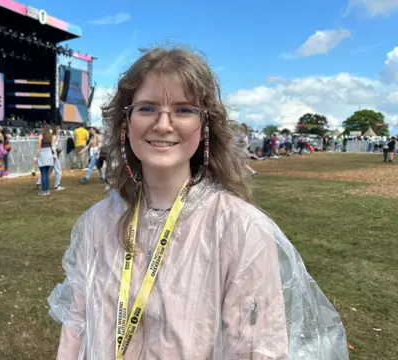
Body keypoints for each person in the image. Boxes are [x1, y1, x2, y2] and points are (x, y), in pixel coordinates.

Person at [47, 47, 348, 359]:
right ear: (125, 123)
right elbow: (76, 326)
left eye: (184, 110)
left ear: (205, 125)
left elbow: (260, 348)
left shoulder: (241, 229)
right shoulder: (98, 223)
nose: (163, 124)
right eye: (147, 108)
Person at [35, 125, 55, 195]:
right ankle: (47, 190)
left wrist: (36, 157)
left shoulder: (41, 136)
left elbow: (38, 147)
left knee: (43, 173)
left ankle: (44, 190)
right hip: (49, 154)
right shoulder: (50, 136)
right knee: (46, 173)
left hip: (43, 154)